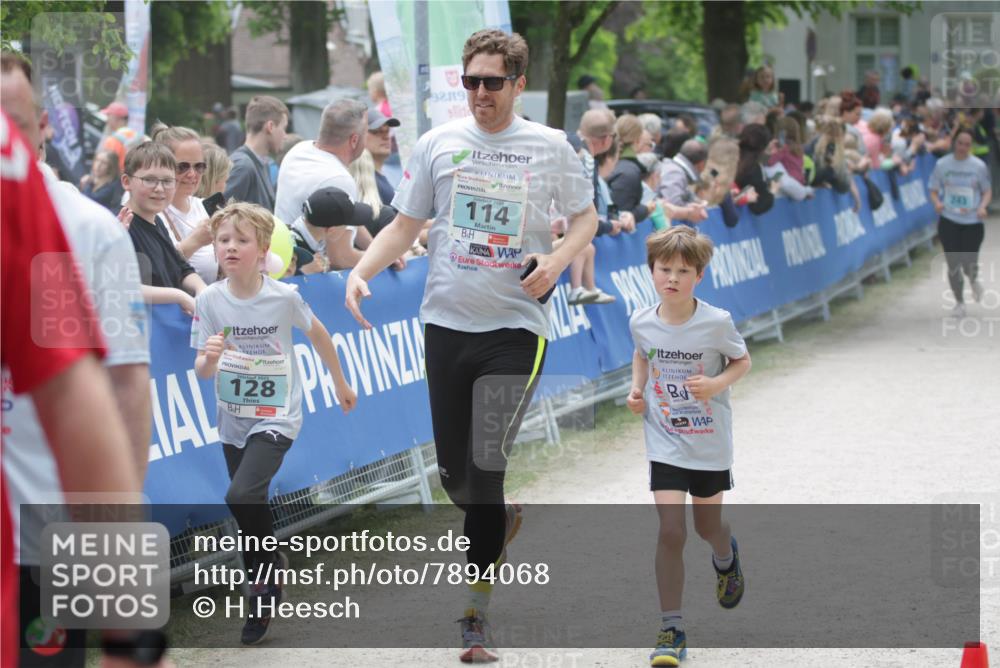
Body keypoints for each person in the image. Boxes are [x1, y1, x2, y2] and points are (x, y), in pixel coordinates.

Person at [345, 29, 597, 663]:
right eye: (471, 81)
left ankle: (474, 612)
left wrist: (561, 258)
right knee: (458, 479)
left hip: (516, 328)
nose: (480, 94)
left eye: (492, 82)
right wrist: (360, 272)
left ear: (517, 84)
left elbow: (585, 216)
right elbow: (406, 225)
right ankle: (500, 516)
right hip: (447, 325)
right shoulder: (439, 144)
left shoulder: (549, 146)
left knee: (485, 468)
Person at [193, 202, 357, 645]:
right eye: (224, 240)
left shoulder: (283, 296)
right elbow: (203, 371)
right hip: (233, 420)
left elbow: (318, 333)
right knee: (249, 511)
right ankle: (265, 585)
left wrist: (340, 382)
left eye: (241, 240)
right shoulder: (208, 299)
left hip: (278, 415)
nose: (230, 247)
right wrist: (208, 357)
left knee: (241, 494)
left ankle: (266, 580)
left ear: (262, 249)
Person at [625, 225, 751, 667]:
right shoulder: (642, 319)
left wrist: (714, 384)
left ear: (700, 275)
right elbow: (643, 353)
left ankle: (724, 553)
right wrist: (637, 390)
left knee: (706, 528)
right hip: (665, 440)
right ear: (651, 271)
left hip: (709, 443)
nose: (672, 278)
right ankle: (671, 628)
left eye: (683, 270)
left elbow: (743, 360)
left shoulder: (715, 322)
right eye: (664, 269)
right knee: (671, 530)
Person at [275, 98, 366, 267]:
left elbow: (347, 217)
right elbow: (341, 258)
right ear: (354, 140)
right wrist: (385, 259)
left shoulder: (299, 150)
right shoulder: (338, 179)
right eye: (366, 132)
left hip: (287, 264)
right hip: (312, 277)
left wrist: (377, 247)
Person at [122, 141, 207, 312]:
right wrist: (179, 296)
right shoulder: (122, 226)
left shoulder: (156, 221)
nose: (160, 188)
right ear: (126, 182)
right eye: (149, 180)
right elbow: (123, 287)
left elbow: (179, 266)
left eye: (168, 181)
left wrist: (202, 289)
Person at [928, 128, 992, 319]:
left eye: (967, 144)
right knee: (953, 263)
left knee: (968, 262)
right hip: (949, 220)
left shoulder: (978, 166)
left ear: (971, 146)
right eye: (960, 143)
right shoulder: (942, 164)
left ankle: (973, 280)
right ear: (954, 143)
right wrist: (937, 203)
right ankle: (959, 302)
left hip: (972, 222)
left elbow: (987, 190)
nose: (963, 147)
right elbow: (933, 188)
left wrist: (982, 206)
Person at [152, 124, 218, 284]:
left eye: (199, 166)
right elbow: (157, 272)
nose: (192, 174)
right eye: (182, 167)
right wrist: (195, 240)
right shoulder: (153, 212)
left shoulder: (204, 205)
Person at [224, 95, 288, 211]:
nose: (285, 136)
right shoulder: (243, 166)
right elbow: (221, 215)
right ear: (270, 127)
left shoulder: (261, 163)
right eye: (283, 128)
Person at [657, 139, 711, 223]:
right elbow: (673, 204)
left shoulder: (675, 169)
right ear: (701, 164)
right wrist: (691, 211)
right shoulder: (675, 172)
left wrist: (697, 202)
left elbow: (686, 195)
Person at [735, 124, 778, 215]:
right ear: (764, 146)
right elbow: (759, 205)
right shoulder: (754, 170)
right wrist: (772, 191)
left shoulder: (728, 157)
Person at [366, 108, 400, 205]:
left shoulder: (383, 176)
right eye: (376, 131)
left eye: (387, 131)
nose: (386, 136)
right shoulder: (363, 179)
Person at [98, 101, 143, 172]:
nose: (107, 120)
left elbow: (107, 167)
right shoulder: (138, 137)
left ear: (116, 118)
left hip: (117, 179)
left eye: (108, 116)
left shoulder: (112, 140)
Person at [80, 148, 124, 213]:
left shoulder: (113, 184)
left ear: (110, 167)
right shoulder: (94, 178)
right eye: (97, 160)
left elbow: (91, 200)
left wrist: (88, 184)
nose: (98, 165)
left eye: (104, 163)